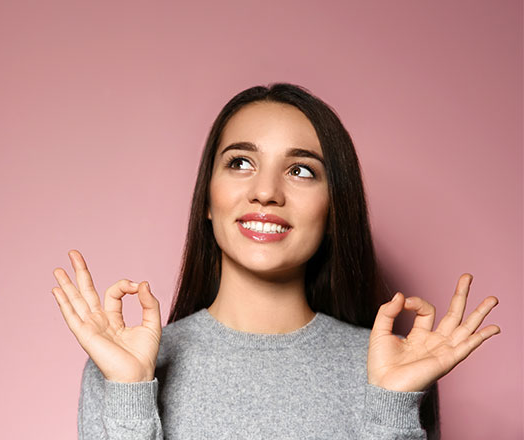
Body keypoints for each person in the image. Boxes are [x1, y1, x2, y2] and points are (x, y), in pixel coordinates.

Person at [50, 83, 501, 439]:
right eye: (240, 162)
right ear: (207, 199)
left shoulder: (398, 365)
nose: (265, 191)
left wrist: (393, 407)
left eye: (301, 170)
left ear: (334, 209)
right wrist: (130, 390)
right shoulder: (125, 364)